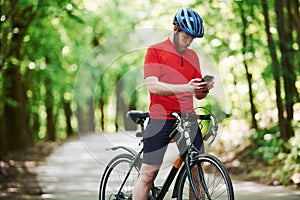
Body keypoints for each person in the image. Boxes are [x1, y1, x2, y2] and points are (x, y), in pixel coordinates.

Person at [133, 8, 214, 200]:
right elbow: (152, 86)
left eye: (193, 39)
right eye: (186, 37)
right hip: (161, 118)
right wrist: (186, 87)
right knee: (147, 175)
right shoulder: (155, 51)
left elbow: (197, 93)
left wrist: (203, 88)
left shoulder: (193, 56)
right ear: (176, 29)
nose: (189, 42)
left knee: (196, 172)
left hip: (188, 119)